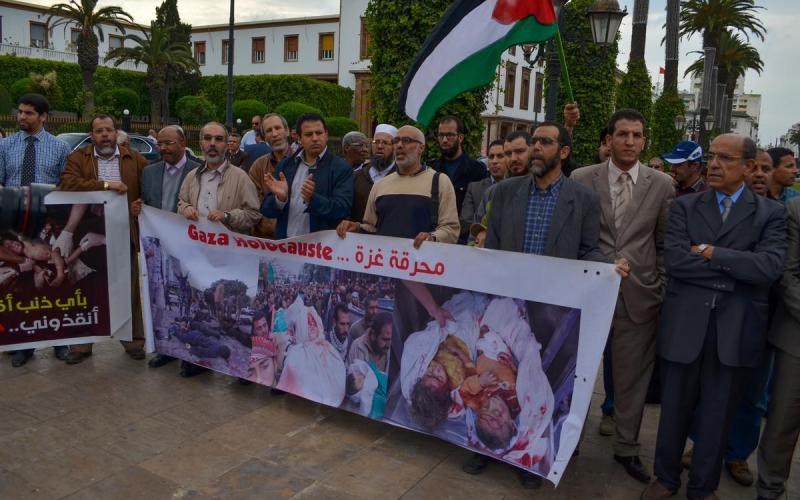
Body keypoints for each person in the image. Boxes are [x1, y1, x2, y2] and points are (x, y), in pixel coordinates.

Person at [466, 121, 622, 487]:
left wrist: (609, 268)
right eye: (534, 141)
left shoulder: (582, 200)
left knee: (534, 380)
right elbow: (493, 250)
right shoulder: (504, 193)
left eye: (545, 143)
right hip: (505, 304)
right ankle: (483, 451)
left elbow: (589, 250)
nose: (536, 148)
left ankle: (527, 465)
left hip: (551, 311)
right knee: (488, 377)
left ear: (563, 152)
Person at [643, 133, 787, 500]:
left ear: (750, 166)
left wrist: (709, 252)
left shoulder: (770, 214)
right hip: (685, 325)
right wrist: (734, 268)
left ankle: (703, 487)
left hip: (735, 330)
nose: (714, 164)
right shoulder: (685, 207)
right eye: (711, 156)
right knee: (673, 410)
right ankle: (665, 478)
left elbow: (767, 268)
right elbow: (676, 261)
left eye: (726, 158)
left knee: (719, 415)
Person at [571, 109, 675, 484]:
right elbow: (576, 237)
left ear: (644, 140)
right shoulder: (582, 178)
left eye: (637, 135)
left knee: (632, 380)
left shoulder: (662, 184)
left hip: (639, 296)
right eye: (623, 134)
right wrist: (600, 263)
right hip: (589, 295)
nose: (630, 141)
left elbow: (664, 243)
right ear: (609, 139)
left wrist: (657, 283)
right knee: (579, 374)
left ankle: (627, 449)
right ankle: (570, 443)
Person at [59, 114, 149, 364]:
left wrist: (142, 203)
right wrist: (107, 185)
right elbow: (68, 184)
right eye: (99, 131)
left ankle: (134, 342)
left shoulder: (134, 159)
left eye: (108, 130)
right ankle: (81, 346)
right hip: (89, 233)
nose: (105, 135)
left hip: (124, 233)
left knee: (128, 290)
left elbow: (148, 186)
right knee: (85, 289)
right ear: (92, 135)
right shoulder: (78, 158)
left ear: (116, 131)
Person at [175, 122, 260, 377]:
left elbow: (253, 214)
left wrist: (227, 216)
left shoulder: (240, 178)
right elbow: (180, 202)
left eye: (219, 139)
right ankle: (198, 361)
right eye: (208, 139)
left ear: (227, 144)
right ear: (200, 143)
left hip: (229, 260)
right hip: (198, 257)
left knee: (228, 314)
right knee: (199, 308)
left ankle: (243, 371)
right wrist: (184, 209)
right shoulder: (192, 176)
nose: (213, 144)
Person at [0, 93, 71, 367]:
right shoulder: (5, 146)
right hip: (15, 226)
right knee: (24, 284)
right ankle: (23, 344)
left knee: (55, 283)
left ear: (43, 116)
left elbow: (68, 188)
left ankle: (60, 341)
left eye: (28, 113)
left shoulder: (59, 148)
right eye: (20, 112)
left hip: (47, 223)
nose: (21, 117)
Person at [132, 125, 200, 369]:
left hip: (189, 250)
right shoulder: (149, 172)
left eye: (169, 143)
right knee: (161, 299)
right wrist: (138, 208)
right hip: (159, 251)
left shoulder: (198, 171)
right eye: (160, 143)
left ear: (183, 144)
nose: (163, 148)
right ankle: (167, 348)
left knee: (189, 299)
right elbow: (146, 204)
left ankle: (191, 356)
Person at [756, 195, 800, 500]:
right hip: (796, 336)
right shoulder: (796, 209)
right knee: (783, 421)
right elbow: (787, 273)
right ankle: (770, 490)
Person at [261, 113, 353, 239]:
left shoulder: (341, 168)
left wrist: (313, 199)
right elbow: (266, 210)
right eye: (309, 134)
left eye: (319, 133)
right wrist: (280, 199)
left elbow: (343, 210)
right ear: (299, 138)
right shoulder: (285, 166)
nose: (315, 138)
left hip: (320, 250)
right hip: (286, 247)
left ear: (326, 135)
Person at [427, 116, 488, 242]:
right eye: (440, 135)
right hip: (434, 238)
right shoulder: (430, 169)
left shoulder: (477, 171)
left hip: (464, 241)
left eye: (449, 135)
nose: (444, 140)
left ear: (460, 137)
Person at [248, 113, 292, 239]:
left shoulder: (302, 162)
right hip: (265, 241)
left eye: (277, 128)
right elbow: (253, 204)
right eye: (269, 131)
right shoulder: (258, 166)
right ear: (265, 137)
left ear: (287, 131)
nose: (274, 134)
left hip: (297, 241)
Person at [352, 124, 396, 223]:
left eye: (385, 143)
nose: (380, 146)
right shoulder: (357, 177)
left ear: (394, 147)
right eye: (376, 142)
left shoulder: (401, 176)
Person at [460, 139, 506, 228]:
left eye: (500, 156)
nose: (494, 161)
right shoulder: (474, 188)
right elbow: (466, 222)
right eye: (491, 156)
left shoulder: (518, 188)